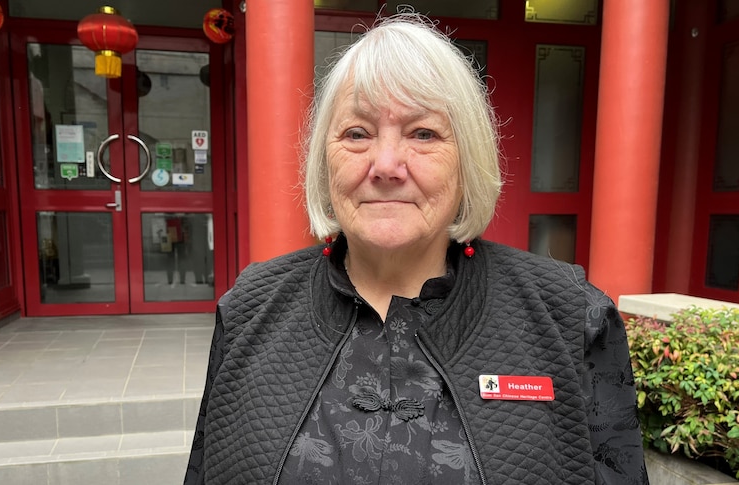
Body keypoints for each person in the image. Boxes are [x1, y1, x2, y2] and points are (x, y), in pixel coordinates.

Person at [184, 13, 648, 485]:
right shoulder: (251, 308)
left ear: (467, 159)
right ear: (324, 160)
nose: (386, 165)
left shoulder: (570, 316)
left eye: (423, 134)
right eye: (357, 134)